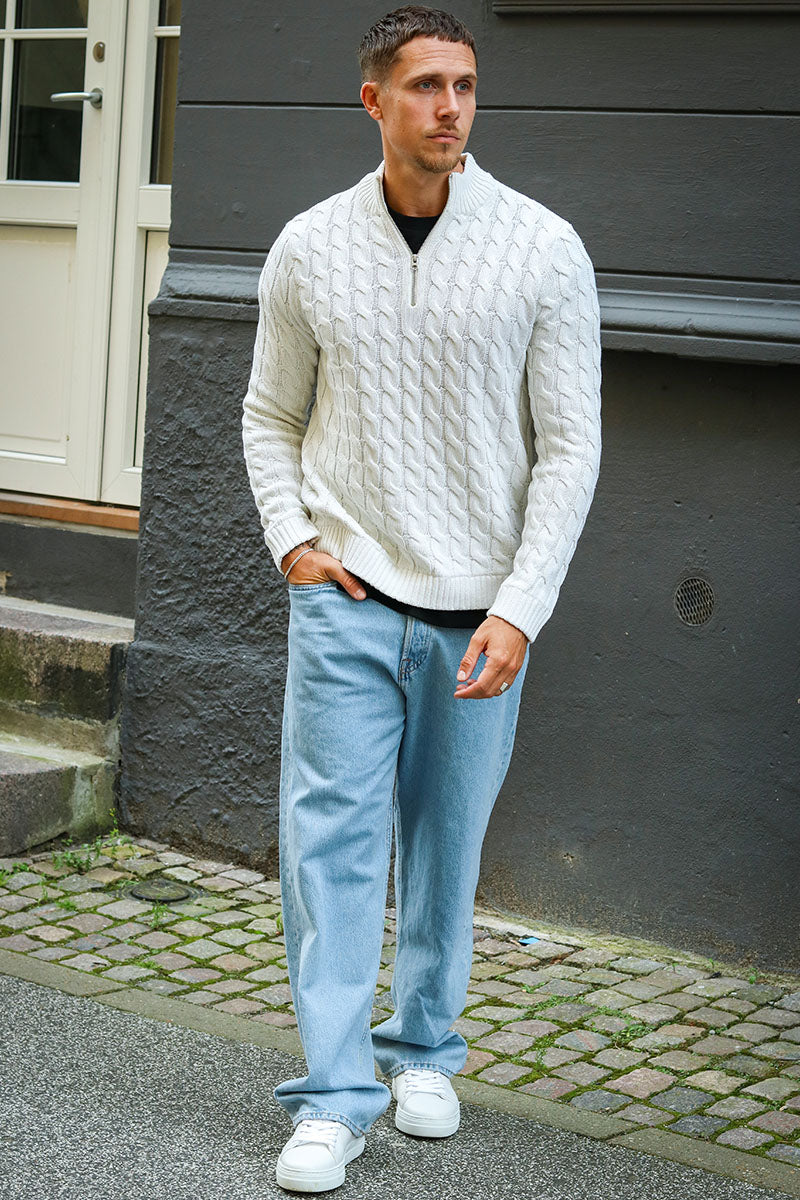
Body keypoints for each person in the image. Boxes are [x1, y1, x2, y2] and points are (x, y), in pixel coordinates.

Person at [241, 5, 601, 1192]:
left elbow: (567, 449)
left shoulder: (541, 247)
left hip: (478, 612)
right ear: (374, 100)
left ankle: (425, 1047)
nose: (451, 107)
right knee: (329, 853)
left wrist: (521, 606)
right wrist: (294, 543)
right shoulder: (307, 247)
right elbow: (269, 413)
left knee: (447, 847)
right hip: (345, 594)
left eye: (465, 85)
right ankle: (333, 1096)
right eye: (425, 86)